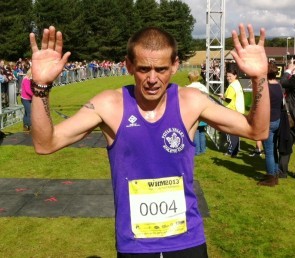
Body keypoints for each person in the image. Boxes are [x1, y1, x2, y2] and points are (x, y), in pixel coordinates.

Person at [29, 24, 269, 257]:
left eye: (161, 69)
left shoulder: (191, 102)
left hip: (187, 240)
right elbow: (46, 143)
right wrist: (40, 86)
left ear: (175, 66)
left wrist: (260, 78)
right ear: (129, 66)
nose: (152, 79)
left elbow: (256, 130)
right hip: (135, 245)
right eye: (144, 69)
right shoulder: (109, 105)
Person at [257, 62, 283, 187]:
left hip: (269, 121)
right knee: (273, 148)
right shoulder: (279, 86)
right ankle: (275, 174)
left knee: (268, 151)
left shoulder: (266, 88)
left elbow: (260, 106)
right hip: (277, 120)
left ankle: (270, 178)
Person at [280, 61, 295, 180]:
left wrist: (289, 70)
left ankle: (282, 172)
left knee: (286, 145)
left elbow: (283, 82)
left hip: (293, 118)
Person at [219, 68, 245, 157]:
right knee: (236, 133)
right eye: (227, 76)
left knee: (230, 132)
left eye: (230, 76)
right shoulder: (238, 84)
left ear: (235, 76)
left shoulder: (232, 86)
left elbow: (228, 100)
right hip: (239, 111)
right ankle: (236, 149)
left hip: (232, 111)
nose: (228, 78)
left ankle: (231, 151)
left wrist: (222, 97)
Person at [186, 70, 209, 155]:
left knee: (195, 131)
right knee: (202, 131)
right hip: (203, 111)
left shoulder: (188, 88)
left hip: (193, 112)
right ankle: (203, 149)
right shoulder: (203, 87)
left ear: (190, 78)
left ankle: (197, 150)